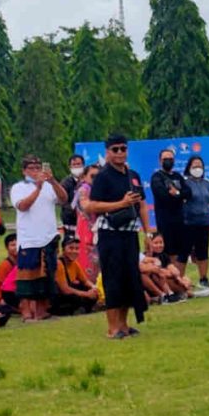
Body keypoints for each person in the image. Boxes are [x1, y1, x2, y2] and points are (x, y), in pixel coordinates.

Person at [87, 134, 151, 339]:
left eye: (123, 149)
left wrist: (148, 231)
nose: (120, 153)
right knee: (113, 278)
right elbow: (93, 205)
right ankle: (112, 327)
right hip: (110, 233)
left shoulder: (132, 175)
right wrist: (120, 204)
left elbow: (142, 204)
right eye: (115, 149)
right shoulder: (103, 176)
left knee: (129, 278)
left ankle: (124, 325)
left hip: (130, 232)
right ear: (107, 152)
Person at [10, 154, 67, 321]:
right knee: (27, 276)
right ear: (24, 171)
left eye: (37, 168)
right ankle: (27, 313)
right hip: (29, 238)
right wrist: (38, 188)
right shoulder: (18, 187)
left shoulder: (50, 186)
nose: (35, 171)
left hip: (48, 236)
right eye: (31, 168)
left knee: (47, 275)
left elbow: (64, 199)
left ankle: (42, 311)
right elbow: (23, 206)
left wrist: (53, 181)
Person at [150, 149, 191, 269]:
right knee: (169, 252)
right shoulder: (157, 177)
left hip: (180, 219)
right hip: (165, 221)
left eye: (170, 159)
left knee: (182, 252)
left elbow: (188, 192)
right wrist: (178, 196)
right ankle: (171, 278)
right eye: (165, 159)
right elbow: (162, 195)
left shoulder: (178, 176)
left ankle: (180, 278)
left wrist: (176, 193)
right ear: (160, 161)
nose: (168, 161)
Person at [180, 156, 209, 289]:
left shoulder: (207, 183)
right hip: (188, 222)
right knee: (184, 252)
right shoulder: (185, 183)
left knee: (203, 252)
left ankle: (203, 278)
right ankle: (180, 279)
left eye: (200, 165)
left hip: (204, 221)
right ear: (189, 167)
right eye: (194, 165)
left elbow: (208, 202)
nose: (197, 168)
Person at [51, 236, 98, 315]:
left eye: (77, 248)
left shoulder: (74, 263)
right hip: (58, 297)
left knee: (89, 290)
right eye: (71, 248)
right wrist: (87, 294)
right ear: (63, 250)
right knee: (77, 295)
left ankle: (81, 310)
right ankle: (75, 310)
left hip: (68, 293)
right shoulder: (59, 263)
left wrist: (94, 288)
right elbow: (65, 290)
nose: (74, 251)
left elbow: (85, 281)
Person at [75, 164, 101, 281]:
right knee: (88, 261)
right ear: (84, 177)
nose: (96, 179)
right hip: (86, 231)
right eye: (93, 176)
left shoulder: (98, 189)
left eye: (98, 176)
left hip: (97, 230)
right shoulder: (83, 190)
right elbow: (86, 207)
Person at [60, 154, 85, 238]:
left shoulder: (89, 181)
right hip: (70, 222)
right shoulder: (65, 182)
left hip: (86, 221)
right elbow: (62, 201)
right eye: (74, 165)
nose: (77, 167)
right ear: (70, 167)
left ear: (83, 165)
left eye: (79, 164)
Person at [0, 233, 19, 310]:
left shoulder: (22, 262)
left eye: (18, 244)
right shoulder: (5, 265)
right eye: (13, 245)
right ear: (7, 247)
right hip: (6, 296)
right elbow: (4, 288)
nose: (16, 247)